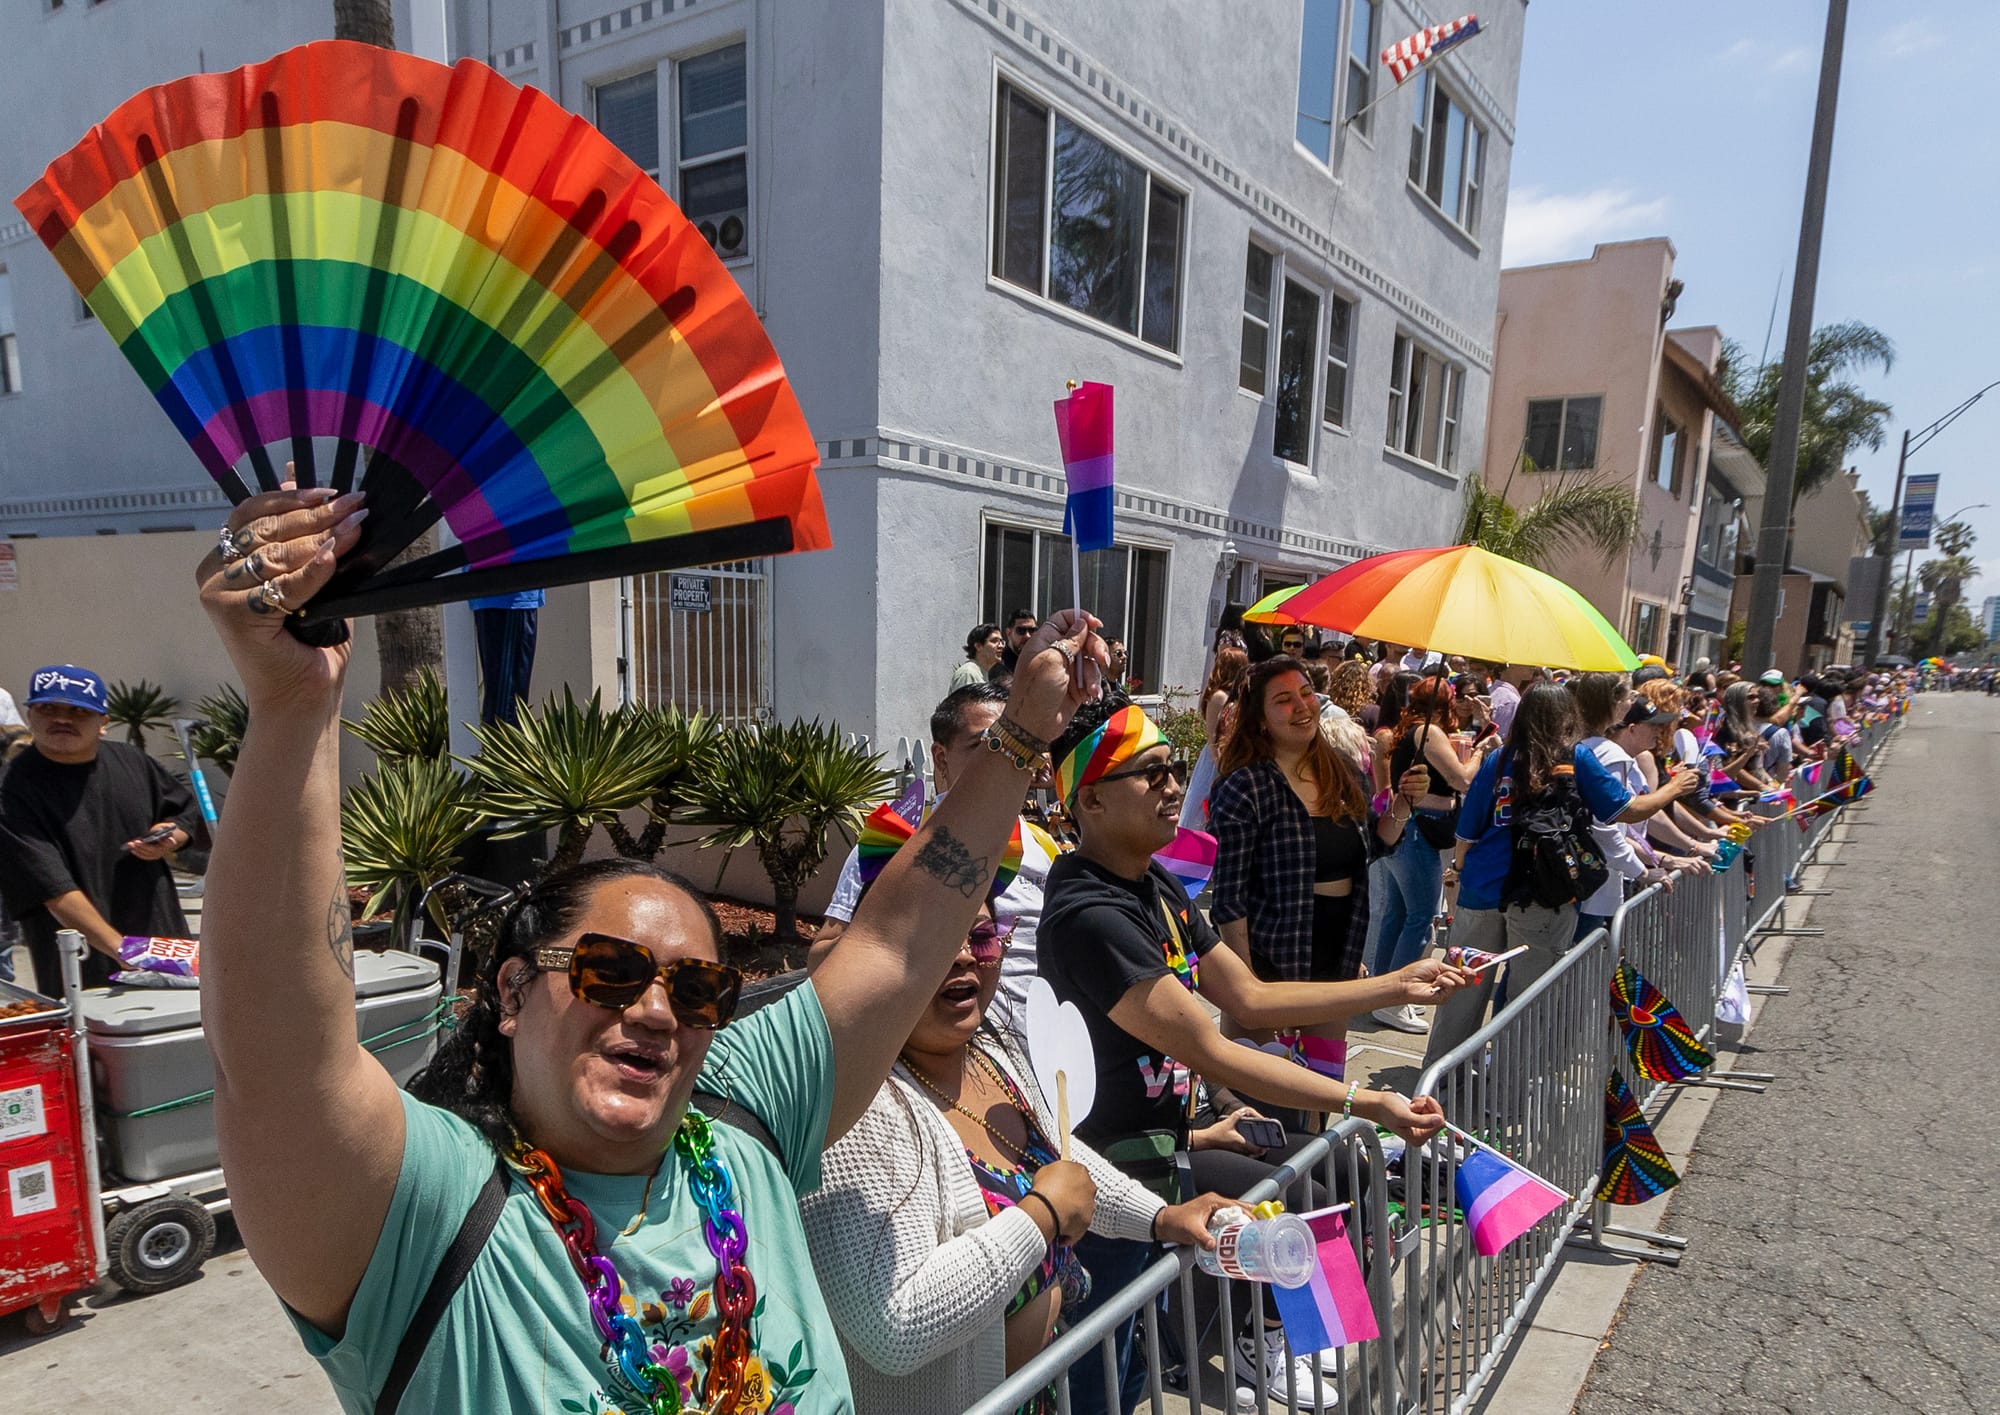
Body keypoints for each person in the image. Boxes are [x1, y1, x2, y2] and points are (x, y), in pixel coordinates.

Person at [188, 483, 1104, 1414]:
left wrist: (1026, 728)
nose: (658, 1010)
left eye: (699, 987)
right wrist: (293, 705)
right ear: (510, 992)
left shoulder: (742, 1118)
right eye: (610, 972)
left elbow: (902, 941)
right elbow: (275, 1054)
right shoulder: (422, 1213)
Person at [1036, 695, 1464, 1410]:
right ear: (1092, 800)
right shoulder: (1091, 912)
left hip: (1165, 1145)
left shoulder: (1155, 882)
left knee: (1327, 1180)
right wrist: (1366, 1100)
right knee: (1104, 1376)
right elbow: (1215, 1045)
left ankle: (1271, 1337)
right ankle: (1225, 1346)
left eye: (1172, 768)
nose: (1174, 784)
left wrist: (1394, 980)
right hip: (1108, 1174)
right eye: (1150, 773)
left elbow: (1251, 1000)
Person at [802, 887, 1233, 1411]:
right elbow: (895, 1325)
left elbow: (1065, 1159)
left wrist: (1161, 1216)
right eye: (935, 933)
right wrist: (1042, 1214)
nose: (963, 953)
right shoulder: (855, 1111)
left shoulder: (993, 1054)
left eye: (981, 936)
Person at [1424, 682, 1697, 1067]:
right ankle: (1506, 1101)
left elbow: (1466, 834)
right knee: (1527, 1004)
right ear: (1568, 716)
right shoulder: (1577, 758)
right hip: (1543, 895)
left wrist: (1461, 869)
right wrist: (1675, 788)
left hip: (1482, 890)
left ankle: (1439, 1088)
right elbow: (1627, 811)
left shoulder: (1499, 759)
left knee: (1460, 995)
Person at [814, 682, 1062, 1040]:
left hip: (1030, 1058)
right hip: (920, 1057)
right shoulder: (895, 842)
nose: (1003, 762)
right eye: (986, 746)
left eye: (1015, 748)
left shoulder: (1044, 848)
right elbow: (822, 961)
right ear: (941, 757)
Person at [0, 663, 199, 994]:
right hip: (81, 963)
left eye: (78, 711)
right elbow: (51, 888)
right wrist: (124, 951)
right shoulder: (11, 790)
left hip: (164, 943)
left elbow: (185, 814)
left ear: (103, 723)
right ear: (30, 715)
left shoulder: (133, 761)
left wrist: (170, 838)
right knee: (98, 1043)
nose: (62, 719)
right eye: (48, 708)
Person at [1370, 676, 1500, 1032]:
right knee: (1421, 917)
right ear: (1443, 703)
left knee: (1397, 915)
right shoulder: (1428, 733)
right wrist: (1479, 753)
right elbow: (1462, 780)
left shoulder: (1412, 730)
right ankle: (1395, 1000)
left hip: (1410, 829)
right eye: (1455, 700)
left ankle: (1381, 995)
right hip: (1417, 831)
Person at [1176, 644, 1247, 830]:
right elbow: (1212, 736)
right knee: (1203, 809)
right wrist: (1221, 765)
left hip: (1227, 756)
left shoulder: (1233, 696)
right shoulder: (1219, 697)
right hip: (1216, 759)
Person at [468, 588, 543, 726]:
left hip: (498, 594)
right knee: (507, 703)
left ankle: (498, 742)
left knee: (502, 697)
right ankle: (502, 744)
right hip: (510, 597)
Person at [954, 623, 1005, 691]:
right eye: (994, 641)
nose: (1001, 646)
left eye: (1001, 642)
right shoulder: (968, 673)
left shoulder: (985, 674)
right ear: (978, 646)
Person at [994, 608, 1040, 680]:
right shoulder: (998, 664)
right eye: (1021, 630)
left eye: (1032, 630)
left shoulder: (1040, 662)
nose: (1027, 635)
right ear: (1009, 633)